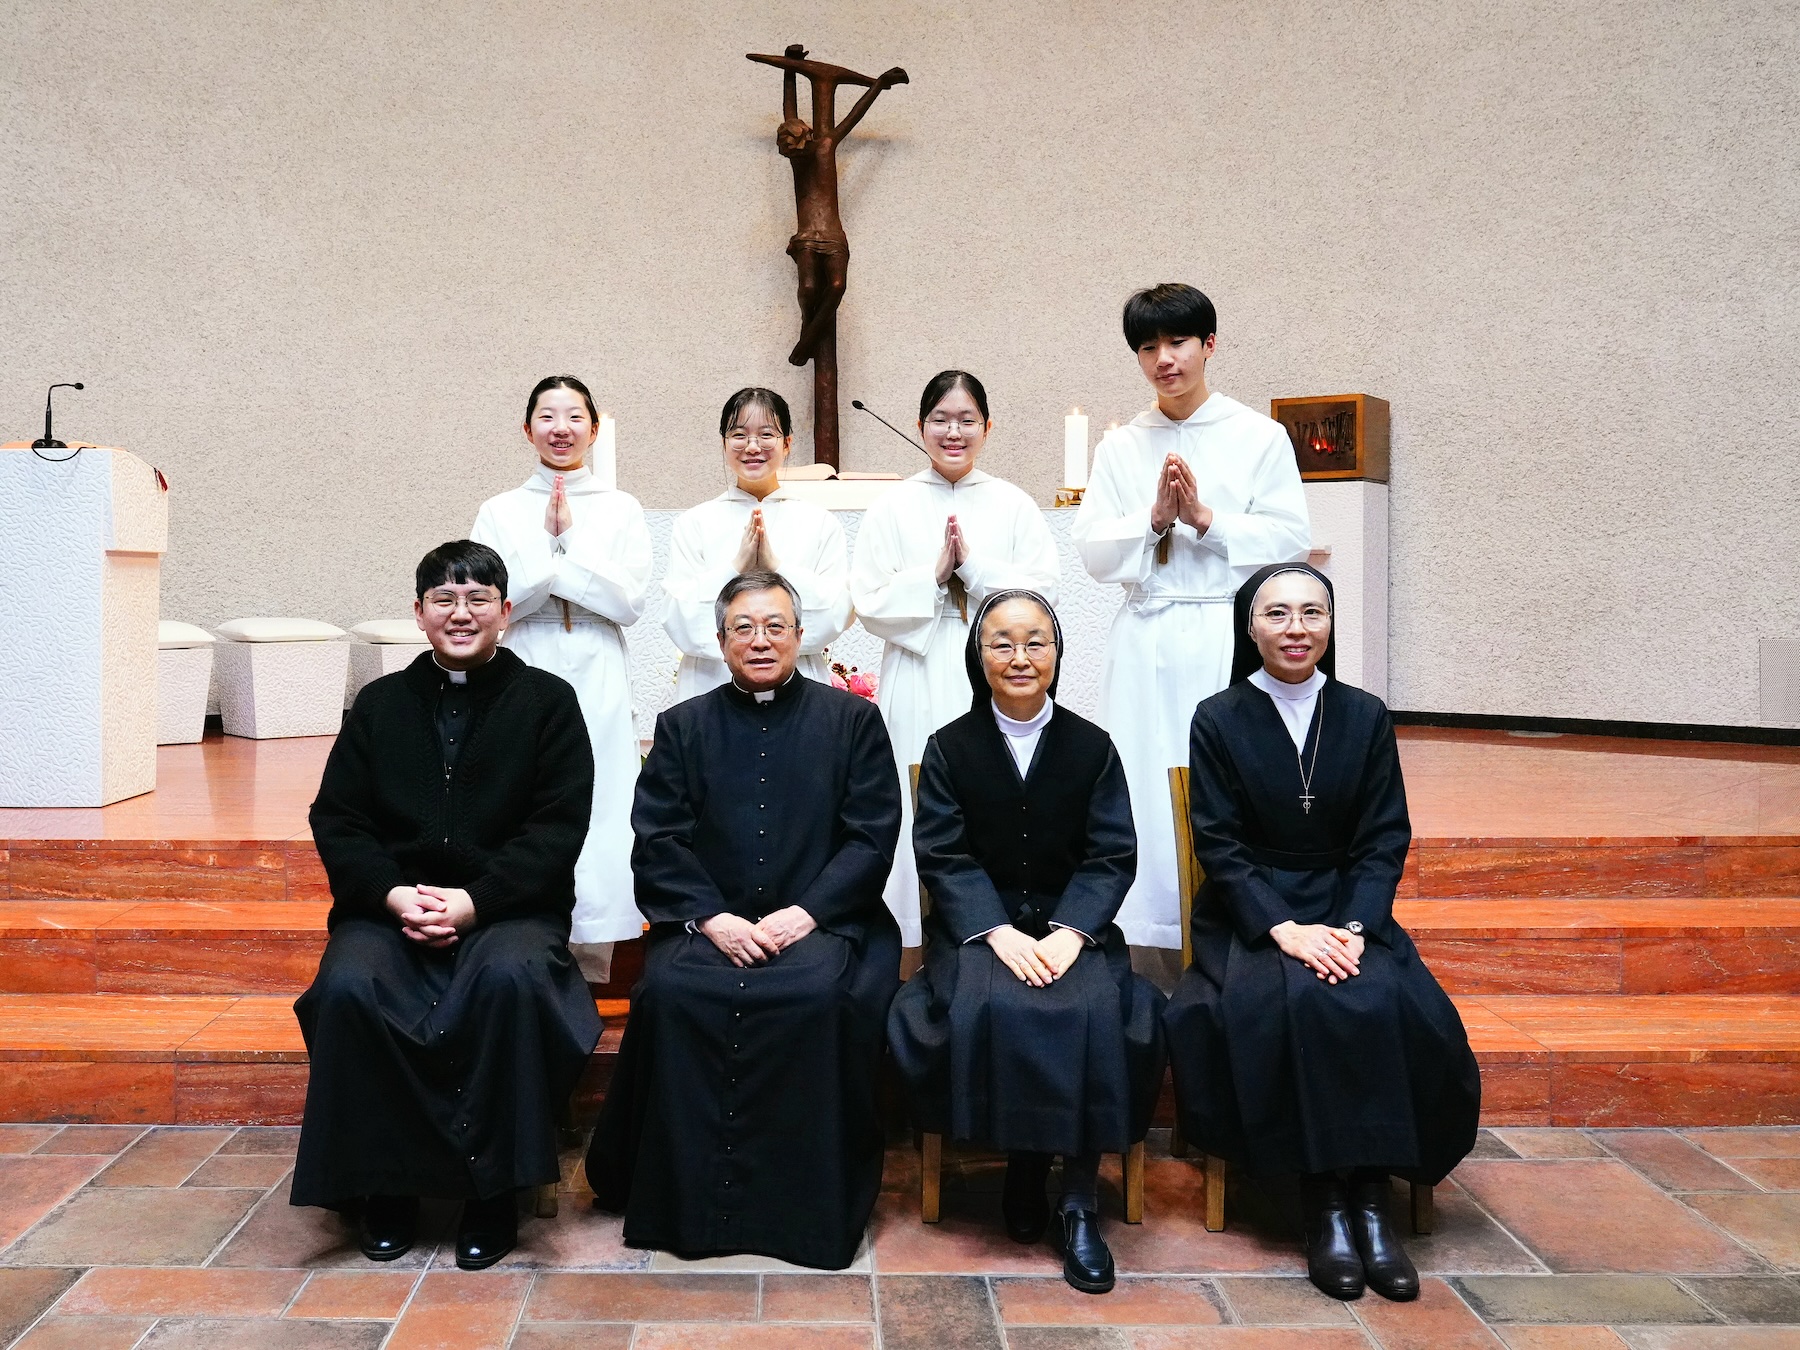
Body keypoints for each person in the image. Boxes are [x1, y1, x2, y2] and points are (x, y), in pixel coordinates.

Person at [1163, 563, 1480, 1303]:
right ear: (1250, 628)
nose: (1296, 629)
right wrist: (1283, 928)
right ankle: (1323, 1202)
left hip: (1348, 905)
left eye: (1312, 612)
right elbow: (1219, 844)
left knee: (1385, 1001)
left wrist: (1354, 926)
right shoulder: (1218, 716)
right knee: (1298, 1001)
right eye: (1277, 614)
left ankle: (1370, 1198)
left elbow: (1384, 836)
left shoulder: (1365, 715)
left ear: (1331, 626)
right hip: (1252, 910)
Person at [294, 540, 602, 1270]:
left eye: (477, 599)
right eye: (444, 599)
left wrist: (474, 901)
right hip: (389, 907)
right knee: (349, 985)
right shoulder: (380, 705)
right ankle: (385, 1186)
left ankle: (491, 1193)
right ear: (419, 613)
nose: (461, 613)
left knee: (508, 981)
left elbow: (558, 827)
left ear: (504, 611)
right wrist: (394, 894)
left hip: (509, 909)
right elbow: (339, 819)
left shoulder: (548, 703)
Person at [586, 569, 903, 1270]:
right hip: (711, 922)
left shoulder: (852, 722)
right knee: (673, 991)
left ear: (801, 635)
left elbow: (871, 836)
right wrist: (711, 918)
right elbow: (659, 838)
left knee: (818, 995)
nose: (760, 641)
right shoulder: (683, 726)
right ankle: (685, 1207)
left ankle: (803, 1215)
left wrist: (806, 913)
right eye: (744, 628)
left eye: (775, 627)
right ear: (720, 640)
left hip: (822, 920)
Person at [888, 590, 1165, 1295]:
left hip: (1077, 928)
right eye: (1002, 643)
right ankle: (1022, 1162)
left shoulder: (1092, 747)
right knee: (999, 1003)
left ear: (1057, 653)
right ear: (978, 655)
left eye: (1035, 641)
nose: (1019, 657)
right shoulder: (950, 747)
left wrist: (1074, 932)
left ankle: (1077, 1200)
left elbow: (1111, 854)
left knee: (1091, 1007)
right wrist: (997, 931)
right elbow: (943, 854)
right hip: (980, 932)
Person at [1072, 285, 1311, 976]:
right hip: (1145, 638)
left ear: (1209, 344)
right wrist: (1152, 520)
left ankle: (1235, 935)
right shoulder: (1122, 446)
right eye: (1148, 347)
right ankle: (1146, 942)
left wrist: (1206, 519)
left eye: (1177, 342)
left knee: (1224, 785)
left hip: (1224, 632)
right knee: (1142, 784)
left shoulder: (1257, 436)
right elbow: (1092, 551)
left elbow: (1291, 538)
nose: (1164, 359)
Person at [851, 370, 1060, 947]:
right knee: (915, 796)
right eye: (941, 420)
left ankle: (995, 929)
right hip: (918, 664)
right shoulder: (892, 506)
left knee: (994, 797)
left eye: (967, 420)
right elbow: (867, 601)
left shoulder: (1013, 503)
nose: (953, 432)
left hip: (998, 669)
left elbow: (1045, 593)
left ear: (987, 428)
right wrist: (934, 575)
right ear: (920, 426)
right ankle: (913, 941)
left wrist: (975, 569)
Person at [471, 375, 652, 980]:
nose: (561, 429)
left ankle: (596, 951)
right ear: (527, 429)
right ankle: (524, 933)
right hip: (526, 657)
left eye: (574, 416)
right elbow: (487, 603)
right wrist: (551, 556)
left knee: (601, 794)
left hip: (597, 659)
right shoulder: (499, 510)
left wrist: (565, 545)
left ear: (594, 429)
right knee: (527, 792)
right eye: (547, 416)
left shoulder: (621, 507)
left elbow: (629, 603)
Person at [662, 387, 852, 700]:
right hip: (713, 685)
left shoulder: (819, 522)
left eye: (766, 434)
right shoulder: (694, 523)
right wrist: (736, 566)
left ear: (787, 443)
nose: (752, 447)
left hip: (798, 688)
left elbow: (834, 615)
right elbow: (679, 621)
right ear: (724, 443)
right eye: (739, 435)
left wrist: (776, 566)